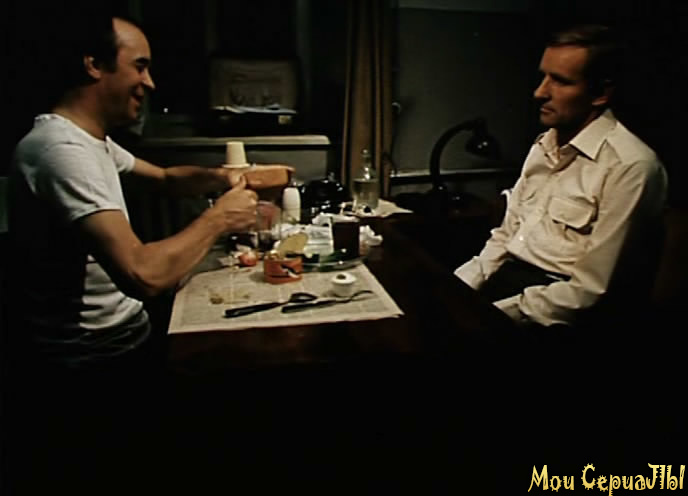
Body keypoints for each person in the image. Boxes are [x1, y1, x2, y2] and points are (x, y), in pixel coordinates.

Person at [6, 12, 290, 370]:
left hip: (127, 330)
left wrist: (223, 177)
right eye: (140, 67)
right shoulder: (61, 151)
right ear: (94, 65)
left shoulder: (89, 140)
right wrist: (220, 218)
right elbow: (143, 275)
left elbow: (167, 178)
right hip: (94, 354)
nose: (150, 83)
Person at [454, 24, 668, 332]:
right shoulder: (544, 145)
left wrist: (489, 316)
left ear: (600, 94)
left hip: (557, 312)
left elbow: (590, 291)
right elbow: (505, 237)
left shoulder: (631, 167)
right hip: (510, 284)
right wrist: (457, 288)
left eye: (561, 81)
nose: (540, 92)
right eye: (543, 76)